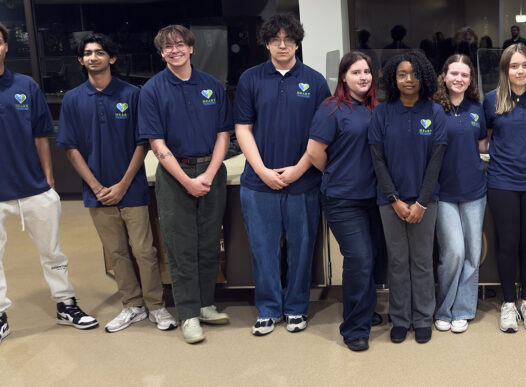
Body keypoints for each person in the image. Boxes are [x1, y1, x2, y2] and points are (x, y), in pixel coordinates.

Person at [0, 19, 98, 353]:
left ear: (6, 46)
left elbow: (41, 136)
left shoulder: (26, 85)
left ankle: (65, 304)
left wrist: (48, 180)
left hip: (34, 188)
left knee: (53, 252)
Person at [57, 33, 176, 334]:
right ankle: (132, 305)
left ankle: (156, 305)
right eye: (88, 53)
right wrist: (96, 187)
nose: (93, 57)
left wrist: (123, 184)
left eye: (100, 52)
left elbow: (142, 143)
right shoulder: (72, 99)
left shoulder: (132, 95)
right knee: (117, 252)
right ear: (80, 60)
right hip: (96, 192)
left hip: (131, 188)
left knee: (144, 250)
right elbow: (71, 148)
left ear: (112, 58)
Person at [233, 12, 331, 337]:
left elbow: (321, 134)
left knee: (302, 248)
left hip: (303, 181)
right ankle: (268, 308)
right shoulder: (250, 79)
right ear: (266, 44)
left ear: (297, 43)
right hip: (258, 183)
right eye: (275, 40)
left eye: (288, 39)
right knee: (263, 249)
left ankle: (296, 307)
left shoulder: (315, 81)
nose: (282, 45)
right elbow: (242, 129)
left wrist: (298, 170)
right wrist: (262, 171)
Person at [138, 24, 233, 344]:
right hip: (175, 173)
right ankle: (189, 313)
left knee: (209, 243)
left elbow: (223, 135)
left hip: (211, 170)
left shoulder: (211, 86)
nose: (175, 50)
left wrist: (209, 174)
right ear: (161, 52)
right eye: (168, 46)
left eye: (180, 44)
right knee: (181, 247)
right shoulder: (152, 90)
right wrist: (186, 180)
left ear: (191, 47)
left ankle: (205, 304)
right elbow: (156, 143)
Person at [303, 51, 383, 351]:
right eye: (356, 72)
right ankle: (354, 329)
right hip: (342, 198)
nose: (363, 77)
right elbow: (314, 152)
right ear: (344, 78)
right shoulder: (332, 108)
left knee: (371, 258)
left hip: (374, 197)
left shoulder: (376, 108)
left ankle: (365, 310)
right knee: (359, 259)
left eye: (367, 72)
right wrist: (339, 172)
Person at [369, 51, 446, 344]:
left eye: (414, 74)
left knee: (423, 261)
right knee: (398, 261)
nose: (409, 80)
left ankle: (423, 317)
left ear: (424, 77)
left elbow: (436, 161)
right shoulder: (382, 113)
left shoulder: (434, 112)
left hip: (426, 201)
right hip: (390, 202)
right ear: (393, 78)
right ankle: (400, 318)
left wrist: (421, 203)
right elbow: (377, 159)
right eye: (402, 74)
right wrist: (394, 199)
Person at [483, 43, 526, 333]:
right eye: (514, 66)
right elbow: (486, 138)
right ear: (505, 69)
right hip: (502, 181)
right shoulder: (491, 100)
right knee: (508, 243)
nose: (520, 71)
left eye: (525, 65)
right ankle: (509, 303)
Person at [431, 54, 487, 334]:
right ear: (444, 76)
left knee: (473, 253)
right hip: (443, 192)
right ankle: (444, 309)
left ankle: (463, 310)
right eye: (454, 73)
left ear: (470, 79)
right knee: (453, 252)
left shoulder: (477, 108)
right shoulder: (432, 108)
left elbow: (482, 143)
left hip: (475, 190)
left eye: (465, 75)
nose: (459, 79)